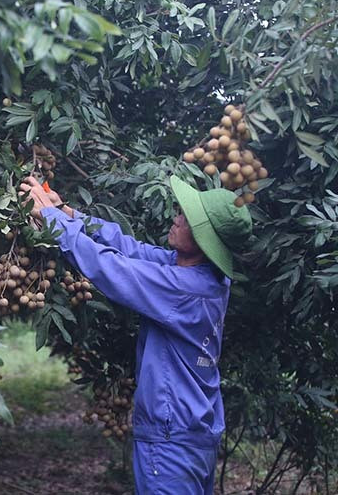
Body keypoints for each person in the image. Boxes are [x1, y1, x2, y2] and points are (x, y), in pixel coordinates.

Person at [19, 175, 252, 495]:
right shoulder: (206, 277)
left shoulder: (183, 288)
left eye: (186, 217)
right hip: (195, 432)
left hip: (171, 439)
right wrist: (68, 213)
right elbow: (131, 249)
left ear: (202, 237)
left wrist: (50, 218)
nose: (177, 217)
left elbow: (112, 269)